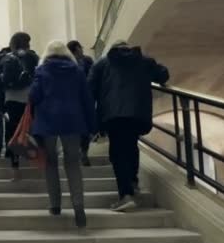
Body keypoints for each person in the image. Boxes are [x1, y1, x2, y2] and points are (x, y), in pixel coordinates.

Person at [89, 41, 169, 212]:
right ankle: (132, 181)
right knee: (131, 145)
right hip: (137, 113)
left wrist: (93, 120)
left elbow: (90, 89)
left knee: (117, 153)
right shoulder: (143, 61)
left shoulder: (102, 64)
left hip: (113, 115)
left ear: (112, 49)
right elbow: (163, 74)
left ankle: (126, 195)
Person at [30, 40, 96, 231]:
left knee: (51, 162)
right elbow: (87, 98)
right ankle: (78, 206)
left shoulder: (41, 71)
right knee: (73, 162)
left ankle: (55, 205)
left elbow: (33, 96)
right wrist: (92, 125)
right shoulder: (77, 71)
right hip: (73, 121)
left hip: (48, 122)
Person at [0, 32, 39, 180]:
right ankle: (30, 163)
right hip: (27, 99)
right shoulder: (32, 57)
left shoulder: (8, 58)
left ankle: (16, 168)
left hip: (12, 99)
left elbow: (2, 81)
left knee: (14, 133)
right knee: (28, 130)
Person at [68, 40, 95, 167]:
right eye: (80, 48)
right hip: (72, 101)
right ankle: (78, 152)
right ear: (76, 49)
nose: (82, 50)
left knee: (85, 128)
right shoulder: (67, 62)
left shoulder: (87, 61)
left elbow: (93, 77)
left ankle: (83, 152)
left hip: (84, 99)